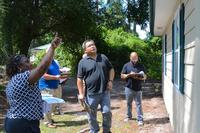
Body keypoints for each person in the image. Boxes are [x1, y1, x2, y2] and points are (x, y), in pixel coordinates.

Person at [4, 36, 61, 133]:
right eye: (27, 62)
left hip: (15, 122)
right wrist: (52, 47)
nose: (30, 64)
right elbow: (42, 68)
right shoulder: (21, 78)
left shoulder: (12, 81)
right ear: (19, 67)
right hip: (23, 124)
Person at [77, 39, 115, 133]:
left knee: (107, 112)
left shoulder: (103, 57)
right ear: (85, 50)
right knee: (91, 115)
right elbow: (79, 79)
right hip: (91, 94)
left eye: (93, 44)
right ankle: (94, 130)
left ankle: (106, 130)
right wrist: (81, 94)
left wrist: (110, 81)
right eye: (90, 45)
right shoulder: (82, 62)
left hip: (105, 91)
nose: (93, 46)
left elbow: (111, 69)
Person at [39, 49, 67, 128]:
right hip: (46, 87)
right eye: (51, 51)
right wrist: (55, 77)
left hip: (56, 85)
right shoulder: (45, 62)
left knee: (54, 103)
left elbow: (57, 71)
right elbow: (44, 75)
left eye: (53, 52)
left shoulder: (54, 61)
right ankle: (47, 122)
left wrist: (62, 73)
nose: (53, 53)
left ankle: (49, 118)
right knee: (48, 105)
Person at [121, 52, 146, 126]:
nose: (135, 59)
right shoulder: (126, 65)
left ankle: (140, 119)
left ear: (137, 57)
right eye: (133, 58)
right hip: (128, 88)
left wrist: (137, 76)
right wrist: (129, 75)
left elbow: (145, 77)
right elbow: (122, 75)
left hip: (138, 88)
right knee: (128, 103)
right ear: (130, 58)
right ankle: (129, 116)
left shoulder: (141, 65)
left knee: (139, 104)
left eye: (136, 58)